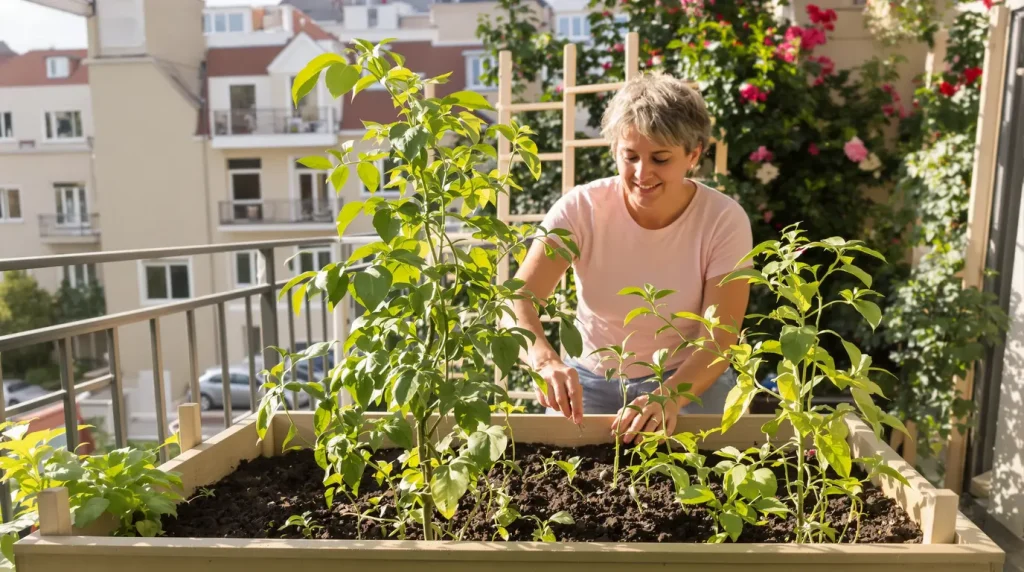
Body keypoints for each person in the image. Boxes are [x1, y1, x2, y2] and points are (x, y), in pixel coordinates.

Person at [509, 71, 754, 444]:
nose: (643, 173)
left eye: (660, 158)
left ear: (693, 155)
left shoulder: (723, 219)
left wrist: (668, 395)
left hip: (690, 380)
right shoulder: (581, 209)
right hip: (592, 382)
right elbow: (518, 300)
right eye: (630, 156)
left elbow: (719, 339)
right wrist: (545, 362)